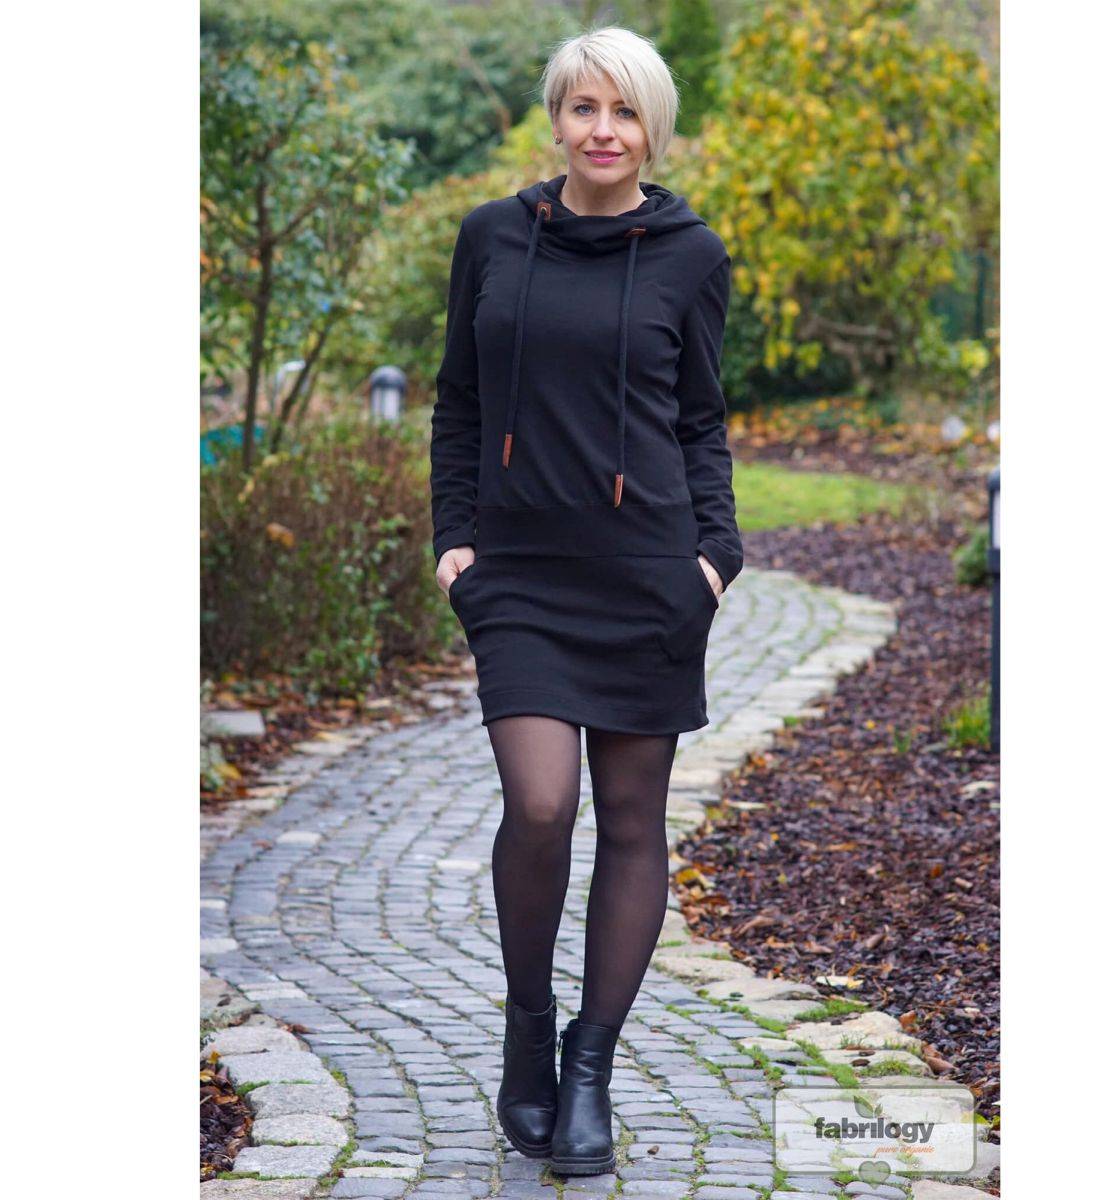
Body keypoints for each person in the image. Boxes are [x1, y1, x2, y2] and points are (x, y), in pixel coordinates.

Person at [429, 25, 742, 1176]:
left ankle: (591, 1065)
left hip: (649, 572)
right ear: (556, 119)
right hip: (518, 572)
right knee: (542, 800)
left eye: (625, 111)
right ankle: (527, 1030)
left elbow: (699, 417)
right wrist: (454, 541)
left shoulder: (690, 255)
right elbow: (459, 402)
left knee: (633, 819)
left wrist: (715, 556)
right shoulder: (493, 236)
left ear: (652, 129)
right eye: (584, 108)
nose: (603, 131)